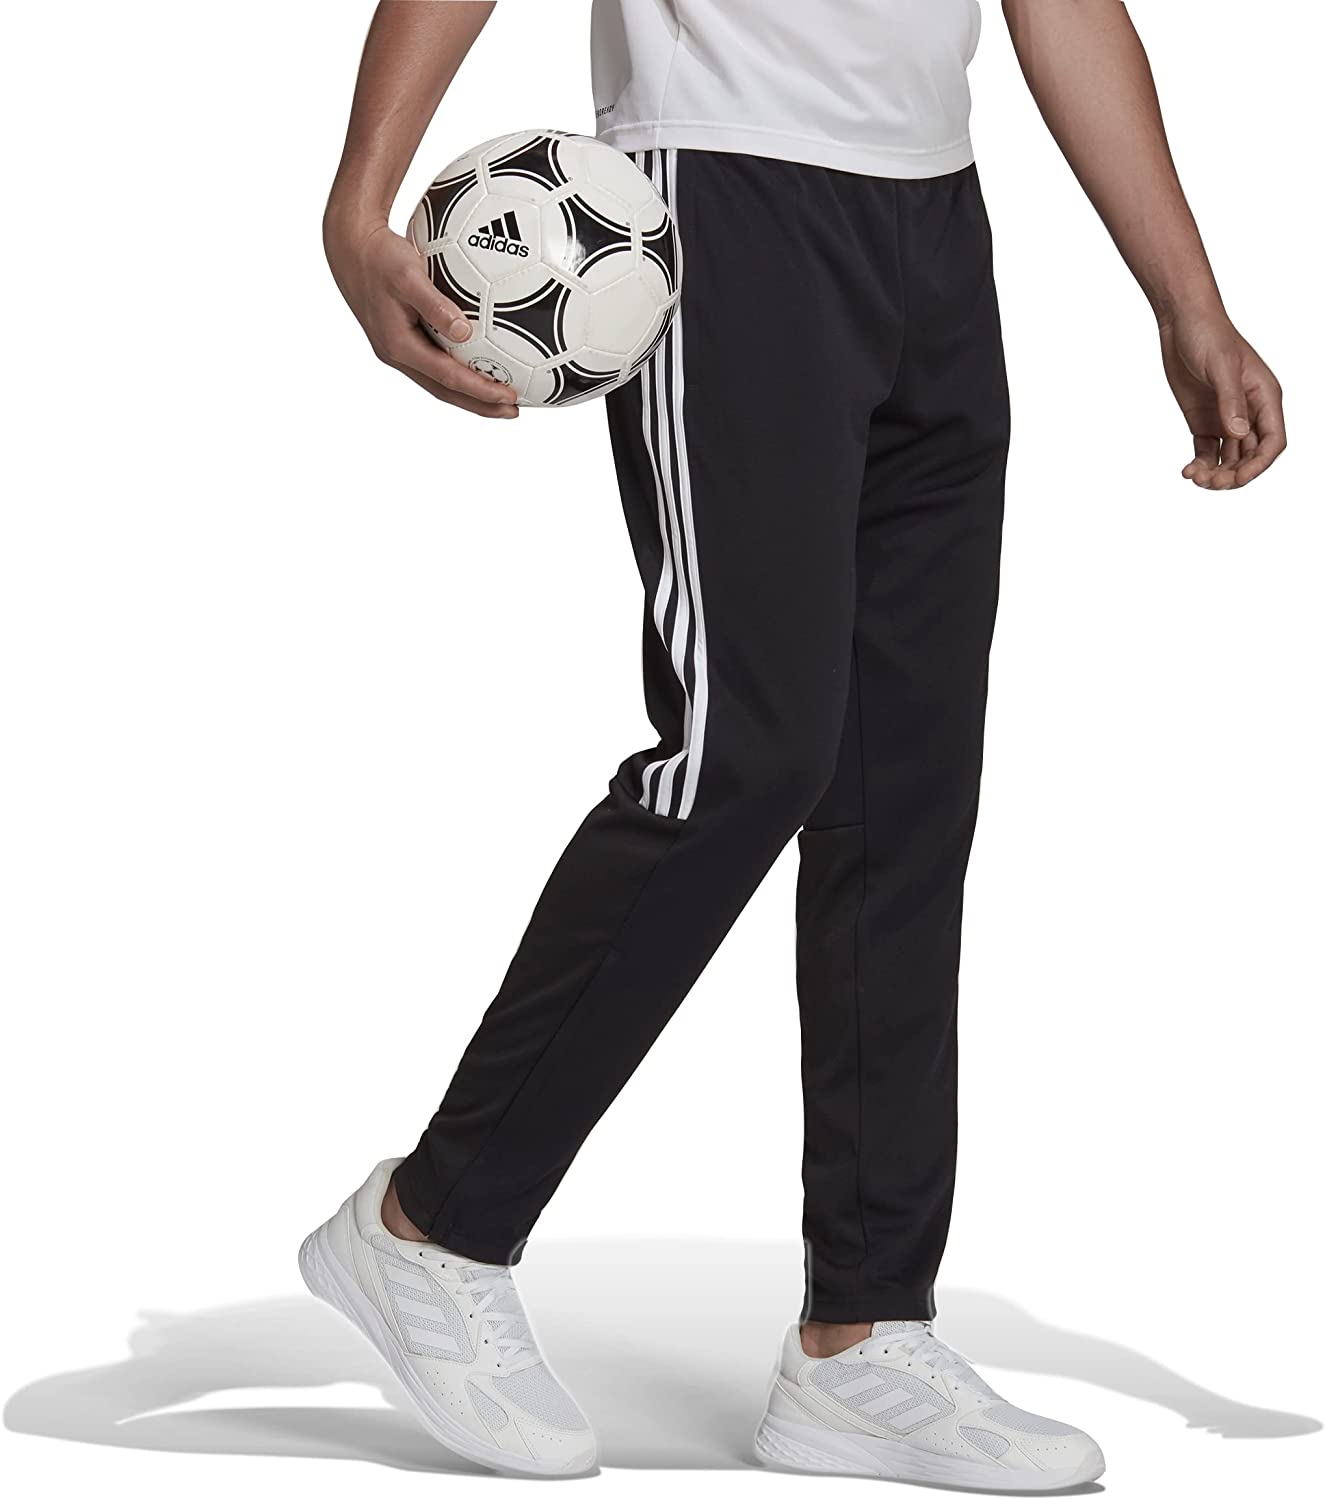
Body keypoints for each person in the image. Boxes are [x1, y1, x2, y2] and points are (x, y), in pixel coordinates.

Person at [303, 0, 1287, 1485]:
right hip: (718, 197)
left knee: (907, 790)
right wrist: (356, 205)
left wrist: (1186, 301)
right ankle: (429, 1227)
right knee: (746, 755)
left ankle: (863, 1334)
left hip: (934, 224)